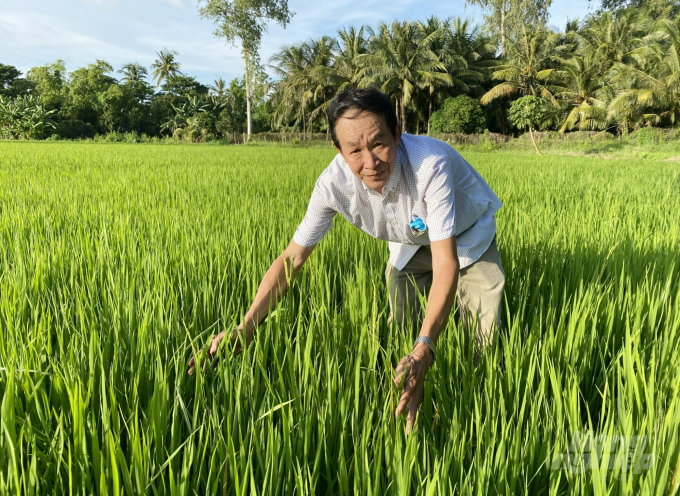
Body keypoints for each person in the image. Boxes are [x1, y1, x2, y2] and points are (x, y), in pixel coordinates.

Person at [188, 88, 505, 434]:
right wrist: (247, 326)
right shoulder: (332, 185)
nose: (370, 162)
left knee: (481, 339)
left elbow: (446, 262)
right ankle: (398, 408)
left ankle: (475, 412)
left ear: (397, 133)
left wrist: (426, 346)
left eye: (379, 143)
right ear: (339, 150)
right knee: (400, 329)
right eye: (355, 150)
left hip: (467, 234)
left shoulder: (430, 165)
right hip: (410, 242)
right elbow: (292, 260)